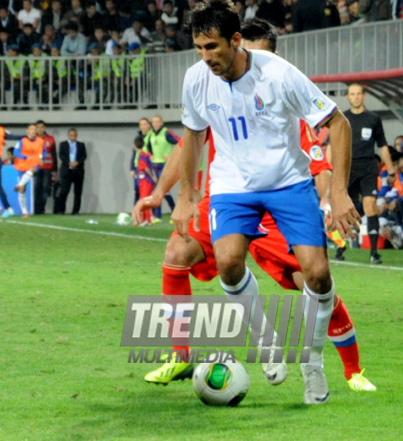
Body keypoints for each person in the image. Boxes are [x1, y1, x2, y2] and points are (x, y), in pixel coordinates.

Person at [136, 17, 375, 395]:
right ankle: (197, 352)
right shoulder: (200, 79)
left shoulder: (284, 85)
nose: (205, 57)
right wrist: (174, 196)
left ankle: (333, 365)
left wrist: (334, 196)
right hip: (231, 189)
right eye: (199, 48)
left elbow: (323, 156)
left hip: (284, 192)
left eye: (212, 48)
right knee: (190, 253)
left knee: (315, 276)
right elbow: (190, 142)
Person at [336, 83, 394, 264]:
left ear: (364, 96)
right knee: (346, 209)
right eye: (352, 94)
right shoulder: (342, 118)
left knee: (370, 206)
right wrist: (332, 168)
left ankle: (374, 252)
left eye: (358, 94)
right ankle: (340, 248)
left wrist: (391, 169)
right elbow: (335, 145)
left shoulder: (373, 118)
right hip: (348, 167)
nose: (355, 97)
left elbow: (382, 145)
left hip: (369, 166)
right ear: (347, 97)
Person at [146, 115, 180, 220]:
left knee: (164, 190)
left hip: (165, 165)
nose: (155, 124)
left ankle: (174, 211)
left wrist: (171, 156)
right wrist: (150, 154)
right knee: (156, 190)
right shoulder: (151, 134)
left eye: (157, 121)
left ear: (161, 123)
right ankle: (157, 215)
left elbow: (180, 142)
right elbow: (148, 146)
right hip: (155, 165)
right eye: (153, 122)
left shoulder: (166, 132)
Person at [13, 123, 45, 218]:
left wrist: (41, 157)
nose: (34, 131)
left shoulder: (40, 141)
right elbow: (15, 152)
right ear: (28, 131)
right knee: (22, 190)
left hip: (34, 164)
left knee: (32, 170)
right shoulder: (22, 141)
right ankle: (24, 212)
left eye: (35, 129)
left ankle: (18, 185)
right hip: (22, 166)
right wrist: (25, 157)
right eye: (31, 129)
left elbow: (44, 152)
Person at [56, 128, 87, 215]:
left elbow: (84, 156)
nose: (73, 137)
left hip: (78, 171)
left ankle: (75, 211)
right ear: (68, 135)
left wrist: (77, 163)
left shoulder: (81, 145)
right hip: (67, 171)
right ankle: (61, 210)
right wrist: (69, 163)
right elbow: (61, 156)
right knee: (64, 191)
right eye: (71, 135)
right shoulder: (63, 144)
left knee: (78, 192)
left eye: (75, 135)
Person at [34, 120, 57, 215]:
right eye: (38, 127)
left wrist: (55, 169)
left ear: (45, 128)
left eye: (41, 127)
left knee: (45, 188)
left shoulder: (50, 139)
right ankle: (35, 208)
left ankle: (41, 209)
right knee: (36, 188)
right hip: (35, 167)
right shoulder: (32, 139)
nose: (40, 129)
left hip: (47, 168)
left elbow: (54, 154)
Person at [133, 136, 157, 226]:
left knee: (144, 200)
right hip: (144, 180)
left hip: (145, 180)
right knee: (144, 199)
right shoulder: (145, 155)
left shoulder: (142, 156)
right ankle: (144, 219)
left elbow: (146, 168)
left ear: (135, 146)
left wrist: (152, 176)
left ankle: (148, 220)